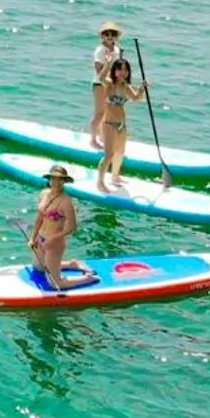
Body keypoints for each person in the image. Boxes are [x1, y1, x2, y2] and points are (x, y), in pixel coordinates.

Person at [95, 57, 149, 189]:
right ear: (114, 71)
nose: (123, 72)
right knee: (109, 155)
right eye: (119, 69)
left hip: (122, 125)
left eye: (126, 70)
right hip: (109, 124)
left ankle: (115, 176)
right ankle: (99, 182)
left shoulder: (125, 87)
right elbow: (100, 78)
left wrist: (142, 89)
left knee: (120, 152)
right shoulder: (109, 84)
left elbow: (136, 98)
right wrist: (107, 63)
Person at [30, 165, 86, 288]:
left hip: (54, 243)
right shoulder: (44, 194)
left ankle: (88, 278)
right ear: (49, 179)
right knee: (38, 268)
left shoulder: (66, 201)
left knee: (55, 284)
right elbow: (39, 218)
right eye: (53, 178)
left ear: (64, 181)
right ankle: (71, 264)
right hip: (41, 238)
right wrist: (33, 237)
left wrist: (52, 239)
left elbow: (72, 227)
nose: (56, 182)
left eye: (60, 179)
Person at [88, 21, 127, 148]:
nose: (110, 37)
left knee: (107, 114)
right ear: (102, 36)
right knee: (99, 113)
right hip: (100, 84)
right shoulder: (100, 51)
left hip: (112, 85)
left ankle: (102, 137)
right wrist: (109, 63)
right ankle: (93, 140)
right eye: (107, 34)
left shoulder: (117, 50)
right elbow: (99, 71)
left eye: (113, 34)